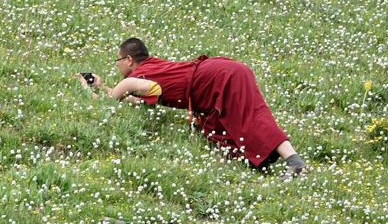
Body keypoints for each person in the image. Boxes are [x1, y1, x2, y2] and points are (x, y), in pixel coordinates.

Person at [77, 38, 308, 179]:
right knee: (226, 124)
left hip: (217, 76)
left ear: (128, 60)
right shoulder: (152, 67)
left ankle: (293, 161)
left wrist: (87, 91)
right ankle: (263, 158)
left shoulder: (133, 79)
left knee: (252, 116)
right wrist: (102, 87)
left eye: (116, 61)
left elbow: (114, 100)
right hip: (217, 74)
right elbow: (136, 98)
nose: (116, 66)